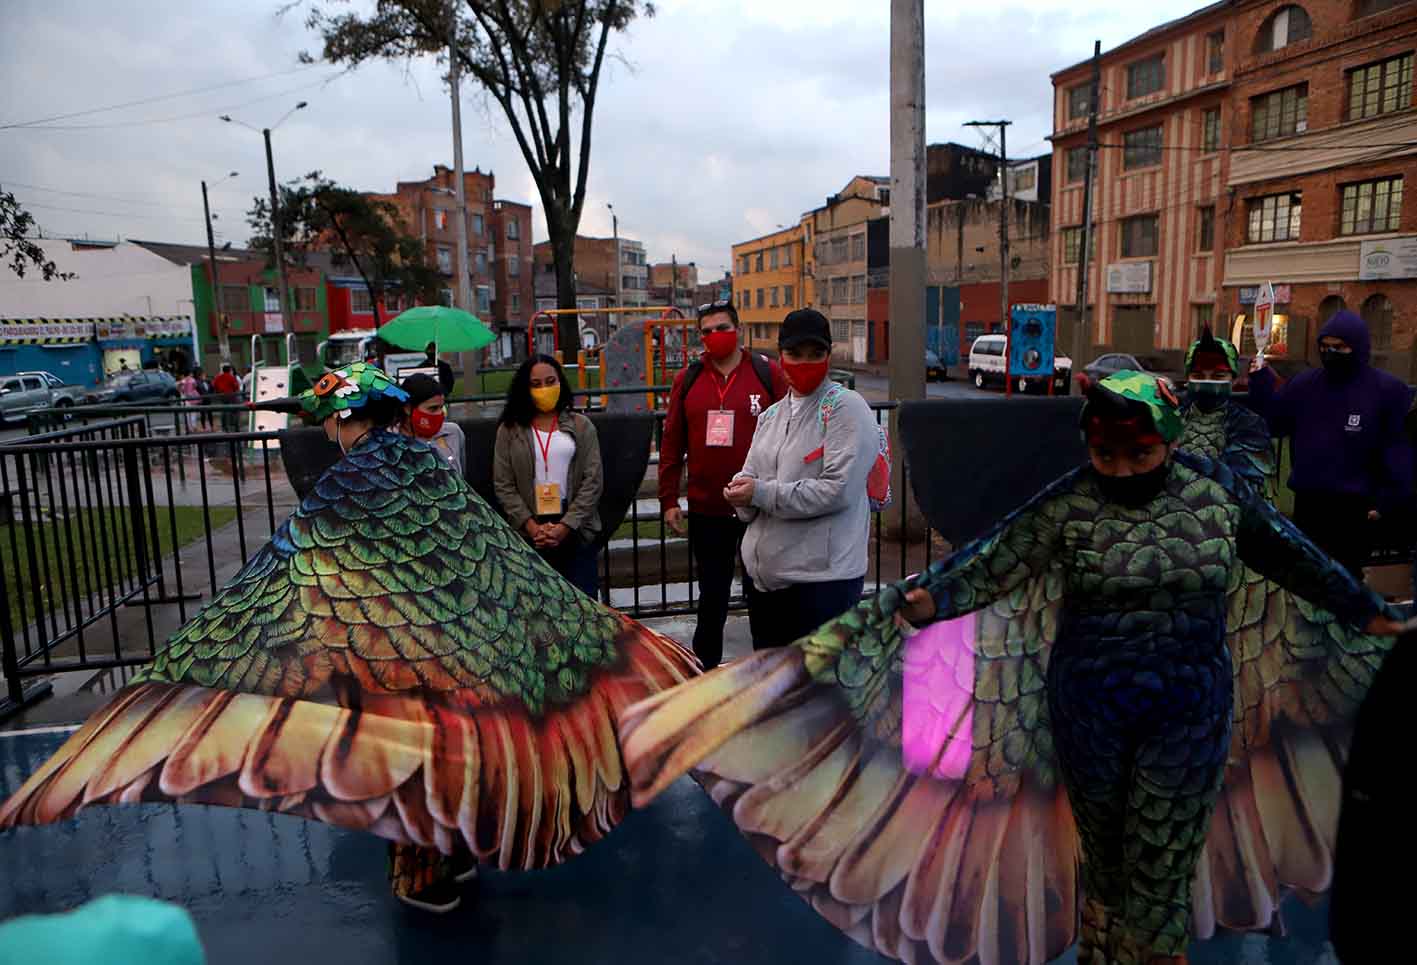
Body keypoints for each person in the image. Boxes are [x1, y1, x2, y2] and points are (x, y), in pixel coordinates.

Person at [620, 370, 1403, 965]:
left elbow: (1294, 560)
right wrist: (927, 600)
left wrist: (1366, 612)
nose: (1122, 468)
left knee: (1162, 851)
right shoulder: (1066, 505)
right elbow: (991, 561)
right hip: (1088, 706)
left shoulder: (1217, 500)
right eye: (1104, 453)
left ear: (1165, 440)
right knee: (1103, 851)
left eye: (1140, 452)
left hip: (1189, 711)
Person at [0, 360, 697, 920]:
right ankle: (452, 852)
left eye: (335, 418)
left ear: (345, 422)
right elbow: (485, 545)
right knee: (450, 738)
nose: (334, 429)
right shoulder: (427, 464)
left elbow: (297, 567)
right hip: (454, 641)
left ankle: (423, 866)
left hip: (394, 647)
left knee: (401, 748)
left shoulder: (352, 478)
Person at [725, 308, 877, 650]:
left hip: (822, 587)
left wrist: (760, 493)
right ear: (781, 356)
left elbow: (837, 490)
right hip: (765, 585)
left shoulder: (845, 408)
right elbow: (752, 473)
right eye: (795, 354)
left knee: (820, 695)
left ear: (829, 354)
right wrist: (741, 494)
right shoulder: (771, 415)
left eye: (815, 354)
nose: (804, 363)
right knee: (775, 693)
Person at [659, 300, 787, 668]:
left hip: (759, 507)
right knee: (711, 598)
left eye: (722, 327)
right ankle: (705, 674)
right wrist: (669, 498)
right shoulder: (689, 379)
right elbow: (672, 441)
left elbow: (789, 430)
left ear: (739, 330)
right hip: (707, 509)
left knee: (762, 595)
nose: (715, 336)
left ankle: (768, 673)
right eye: (708, 330)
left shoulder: (766, 374)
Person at [1248, 309, 1414, 579]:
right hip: (1309, 504)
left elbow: (1398, 449)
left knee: (1346, 585)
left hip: (1356, 508)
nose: (1331, 353)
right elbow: (1275, 422)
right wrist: (1261, 380)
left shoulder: (1387, 390)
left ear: (1358, 347)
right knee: (1307, 580)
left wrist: (1387, 501)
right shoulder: (1305, 384)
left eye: (1339, 347)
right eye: (1324, 347)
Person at [493, 354, 604, 597]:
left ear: (561, 383)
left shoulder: (581, 426)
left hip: (574, 527)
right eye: (536, 384)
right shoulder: (509, 430)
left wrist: (565, 526)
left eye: (550, 381)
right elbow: (503, 484)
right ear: (525, 388)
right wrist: (531, 527)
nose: (545, 389)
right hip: (529, 529)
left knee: (581, 606)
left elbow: (592, 480)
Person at [399, 372, 467, 475]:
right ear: (408, 408)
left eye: (441, 407)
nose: (440, 414)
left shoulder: (453, 432)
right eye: (433, 408)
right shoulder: (390, 441)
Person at [212, 363, 241, 432]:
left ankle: (224, 427)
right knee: (234, 411)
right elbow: (236, 387)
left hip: (222, 396)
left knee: (224, 411)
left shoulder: (218, 377)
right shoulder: (231, 377)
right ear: (229, 370)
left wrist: (218, 391)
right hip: (231, 396)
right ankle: (235, 426)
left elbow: (214, 385)